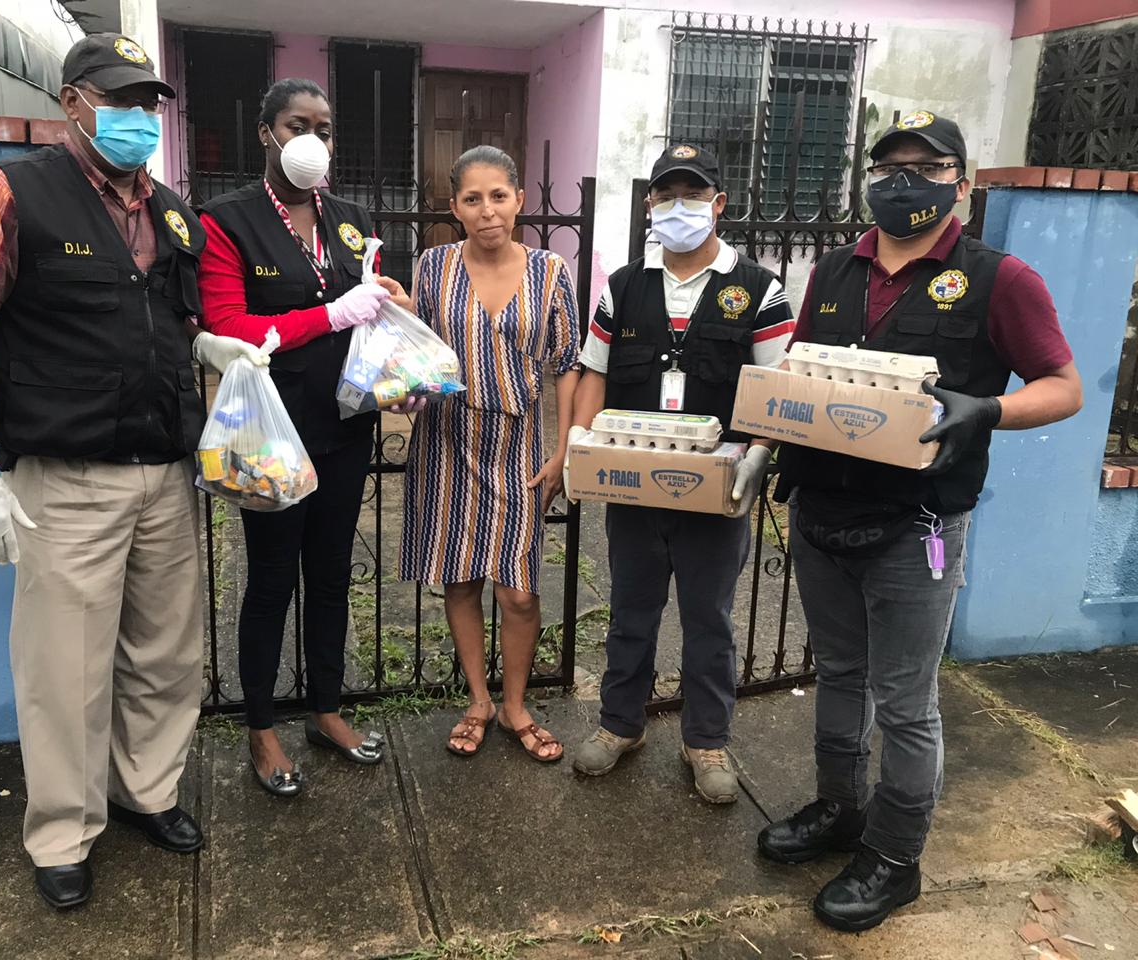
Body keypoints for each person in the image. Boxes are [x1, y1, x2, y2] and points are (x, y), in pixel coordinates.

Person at [0, 34, 266, 909]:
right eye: (120, 101)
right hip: (68, 475)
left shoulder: (172, 211)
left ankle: (144, 792)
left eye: (148, 103)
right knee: (65, 668)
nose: (139, 118)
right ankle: (61, 832)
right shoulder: (8, 192)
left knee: (166, 653)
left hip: (164, 468)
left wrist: (209, 344)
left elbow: (170, 316)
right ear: (72, 102)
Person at [756, 111, 1082, 932]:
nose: (904, 182)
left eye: (927, 167)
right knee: (839, 674)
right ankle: (841, 809)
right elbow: (803, 370)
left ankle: (896, 858)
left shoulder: (1000, 278)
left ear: (959, 184)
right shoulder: (835, 269)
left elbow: (1064, 387)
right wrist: (768, 438)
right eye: (889, 166)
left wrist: (989, 410)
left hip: (916, 527)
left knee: (905, 702)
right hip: (823, 513)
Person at [197, 79, 407, 796]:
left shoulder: (350, 220)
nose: (312, 139)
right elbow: (230, 326)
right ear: (266, 132)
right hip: (270, 437)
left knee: (331, 575)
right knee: (270, 581)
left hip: (344, 427)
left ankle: (326, 710)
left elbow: (370, 316)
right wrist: (331, 316)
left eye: (323, 127)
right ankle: (261, 729)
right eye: (296, 125)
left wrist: (392, 349)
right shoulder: (228, 220)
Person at [567, 144, 794, 801]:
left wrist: (757, 457)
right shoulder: (623, 288)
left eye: (692, 195)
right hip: (634, 489)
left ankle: (707, 741)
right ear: (649, 205)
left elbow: (778, 391)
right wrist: (581, 441)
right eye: (666, 195)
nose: (678, 207)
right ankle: (621, 724)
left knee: (709, 620)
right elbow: (594, 374)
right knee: (631, 612)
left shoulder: (759, 289)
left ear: (718, 204)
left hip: (714, 496)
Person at [400, 146, 581, 763]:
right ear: (455, 207)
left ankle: (515, 705)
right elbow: (417, 346)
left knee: (519, 591)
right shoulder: (433, 266)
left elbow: (567, 364)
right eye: (472, 199)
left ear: (519, 200)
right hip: (446, 442)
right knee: (460, 579)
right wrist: (396, 318)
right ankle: (479, 700)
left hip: (518, 448)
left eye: (498, 196)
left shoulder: (550, 272)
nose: (487, 211)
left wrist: (564, 448)